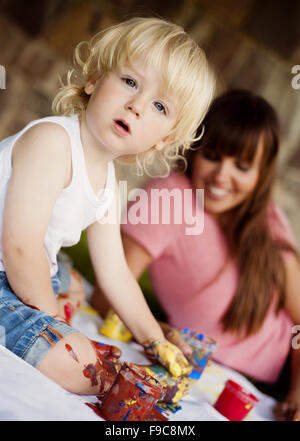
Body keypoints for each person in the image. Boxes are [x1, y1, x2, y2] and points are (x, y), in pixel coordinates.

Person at [0, 17, 215, 394]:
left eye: (159, 106)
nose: (136, 106)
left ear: (162, 141)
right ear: (95, 79)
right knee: (82, 365)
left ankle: (51, 306)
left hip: (25, 265)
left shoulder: (108, 187)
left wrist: (154, 340)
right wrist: (53, 322)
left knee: (75, 284)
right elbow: (19, 246)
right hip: (9, 260)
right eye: (130, 82)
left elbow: (115, 273)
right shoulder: (52, 142)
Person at [91, 89, 300, 420]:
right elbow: (106, 293)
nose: (222, 175)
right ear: (196, 149)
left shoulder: (269, 218)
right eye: (214, 156)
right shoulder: (169, 195)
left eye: (243, 166)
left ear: (261, 175)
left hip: (285, 383)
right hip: (216, 381)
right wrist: (162, 335)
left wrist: (297, 391)